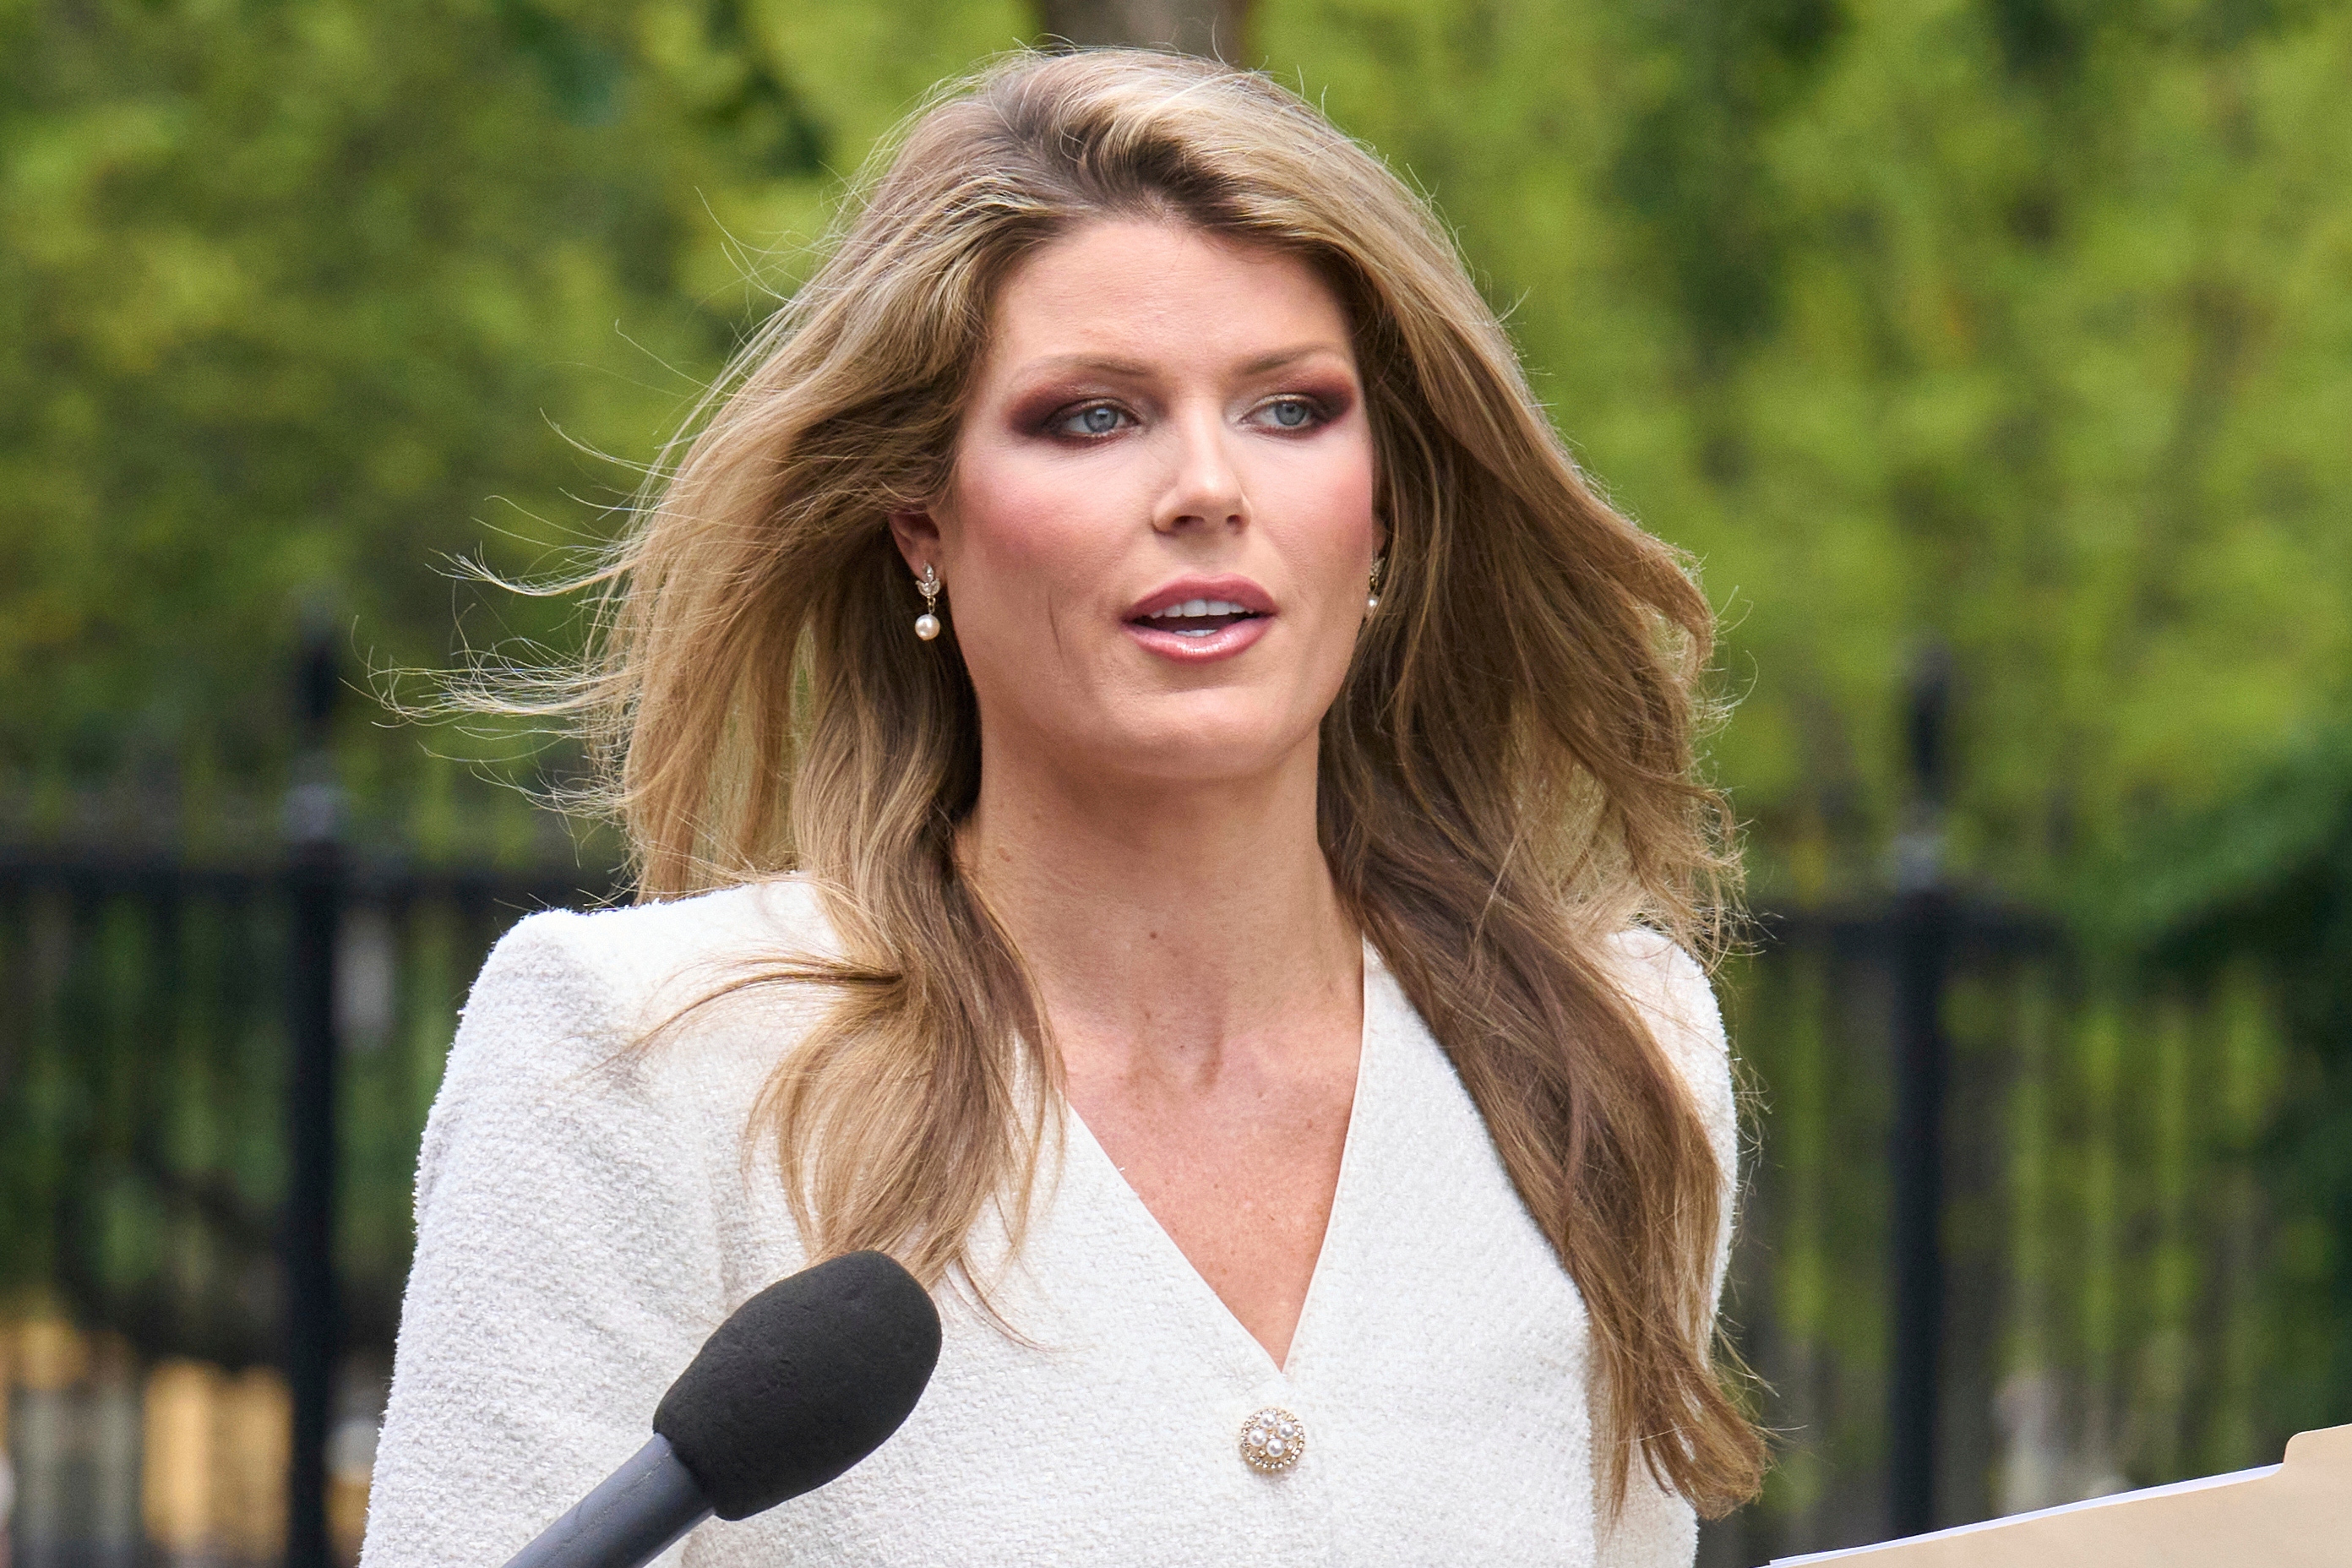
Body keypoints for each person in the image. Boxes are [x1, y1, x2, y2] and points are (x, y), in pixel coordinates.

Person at [361, 47, 1764, 1568]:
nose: (1208, 488)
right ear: (921, 523)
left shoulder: (1616, 1053)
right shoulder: (644, 1062)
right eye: (1093, 418)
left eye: (1292, 410)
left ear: (1388, 506)